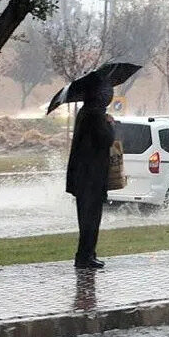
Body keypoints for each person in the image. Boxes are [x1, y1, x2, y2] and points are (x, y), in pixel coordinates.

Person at [67, 82, 116, 269]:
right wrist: (110, 124)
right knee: (91, 218)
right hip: (91, 177)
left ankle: (86, 254)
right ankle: (85, 256)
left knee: (86, 218)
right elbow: (107, 139)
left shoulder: (85, 112)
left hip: (83, 176)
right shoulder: (95, 115)